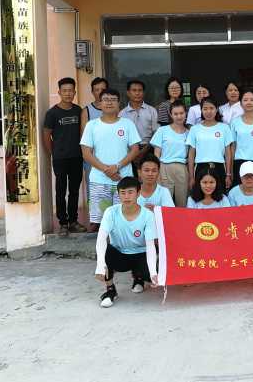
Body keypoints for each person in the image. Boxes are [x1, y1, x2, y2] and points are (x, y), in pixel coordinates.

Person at [80, 88, 141, 231]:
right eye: (106, 99)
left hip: (124, 179)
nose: (109, 103)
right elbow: (86, 153)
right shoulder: (92, 125)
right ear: (100, 103)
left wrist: (117, 166)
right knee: (100, 223)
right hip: (99, 181)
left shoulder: (127, 124)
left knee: (125, 219)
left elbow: (135, 149)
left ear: (119, 103)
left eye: (113, 100)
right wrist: (106, 170)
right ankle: (102, 245)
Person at [94, 176, 158, 308]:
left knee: (151, 275)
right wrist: (100, 265)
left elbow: (151, 245)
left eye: (130, 192)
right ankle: (110, 290)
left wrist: (153, 273)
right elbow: (101, 239)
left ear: (138, 193)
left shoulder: (148, 215)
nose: (127, 196)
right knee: (106, 250)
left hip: (141, 254)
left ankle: (139, 278)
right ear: (118, 194)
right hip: (120, 255)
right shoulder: (111, 212)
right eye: (123, 193)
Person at [42, 77, 86, 236]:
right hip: (60, 158)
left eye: (70, 91)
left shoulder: (79, 110)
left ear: (75, 92)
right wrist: (53, 153)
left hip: (77, 156)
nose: (68, 94)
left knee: (74, 191)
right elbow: (46, 135)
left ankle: (73, 221)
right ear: (59, 92)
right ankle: (63, 223)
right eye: (64, 91)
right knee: (60, 191)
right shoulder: (52, 113)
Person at [186, 97, 234, 190]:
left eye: (211, 108)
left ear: (216, 109)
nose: (208, 111)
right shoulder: (195, 129)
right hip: (200, 166)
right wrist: (191, 177)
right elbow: (191, 154)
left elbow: (228, 153)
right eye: (205, 108)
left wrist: (228, 174)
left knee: (220, 195)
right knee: (200, 195)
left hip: (219, 166)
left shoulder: (224, 128)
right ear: (201, 110)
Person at [150, 101, 189, 207]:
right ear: (171, 114)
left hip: (182, 168)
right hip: (164, 168)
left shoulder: (189, 133)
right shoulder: (162, 130)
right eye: (175, 114)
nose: (179, 116)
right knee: (164, 202)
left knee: (182, 202)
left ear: (185, 113)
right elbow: (157, 153)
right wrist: (157, 171)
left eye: (181, 113)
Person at [118, 79, 159, 170]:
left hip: (148, 149)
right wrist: (133, 152)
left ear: (143, 92)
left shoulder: (152, 111)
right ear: (128, 93)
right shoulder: (122, 114)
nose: (137, 93)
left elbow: (156, 133)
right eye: (134, 90)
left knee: (148, 176)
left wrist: (144, 151)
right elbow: (121, 136)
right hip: (128, 151)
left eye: (140, 90)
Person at [80, 77, 109, 203]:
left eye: (103, 89)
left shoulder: (115, 109)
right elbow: (84, 138)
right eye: (97, 90)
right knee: (94, 190)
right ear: (92, 92)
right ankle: (93, 215)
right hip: (92, 158)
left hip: (112, 157)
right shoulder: (86, 111)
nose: (100, 92)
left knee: (111, 190)